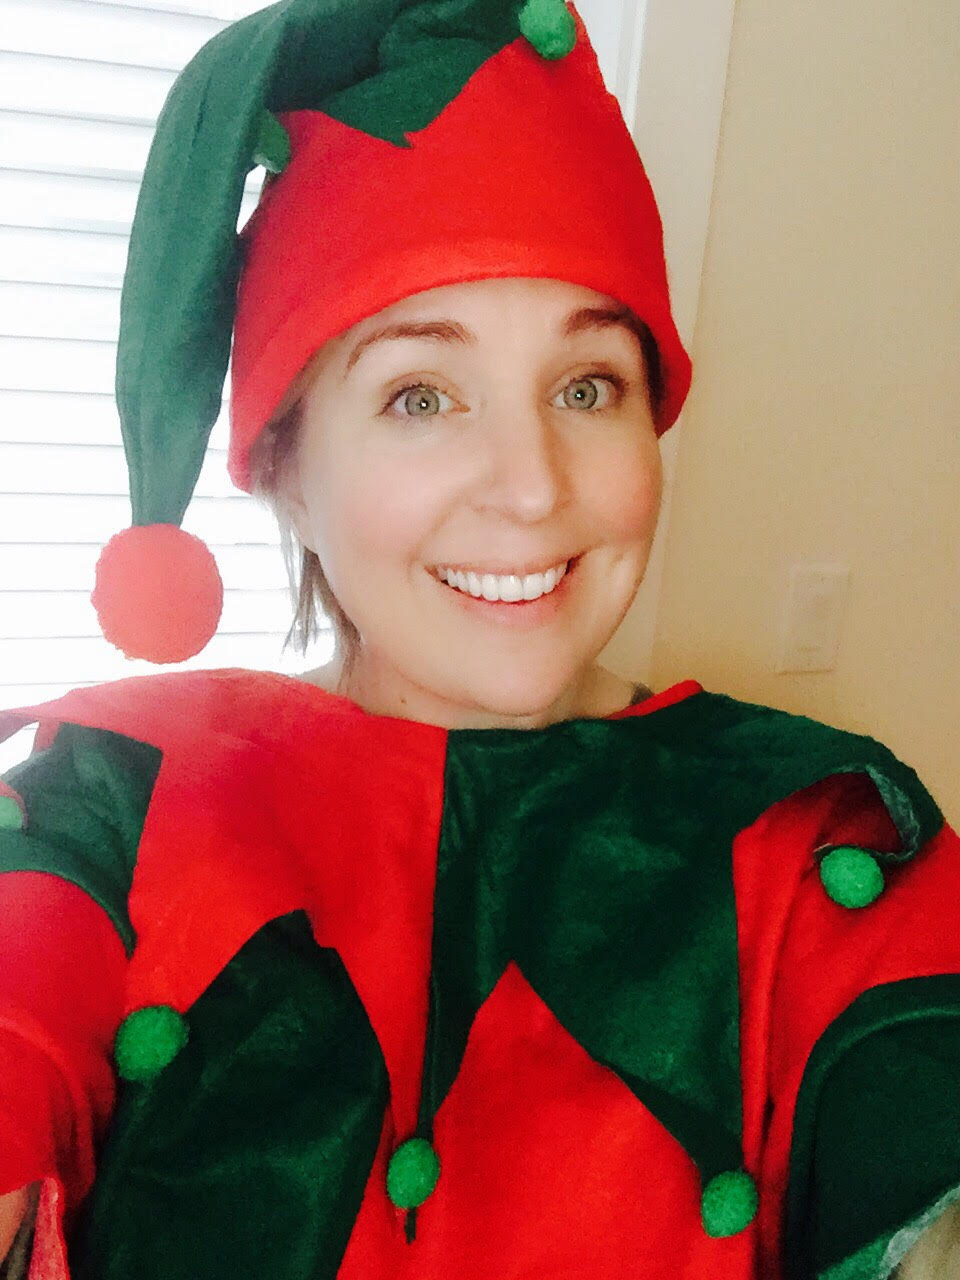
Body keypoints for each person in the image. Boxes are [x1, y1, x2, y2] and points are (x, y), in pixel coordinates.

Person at [0, 2, 958, 1277]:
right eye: (422, 395)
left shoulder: (825, 841)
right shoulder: (112, 804)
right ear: (284, 468)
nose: (531, 485)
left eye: (587, 386)